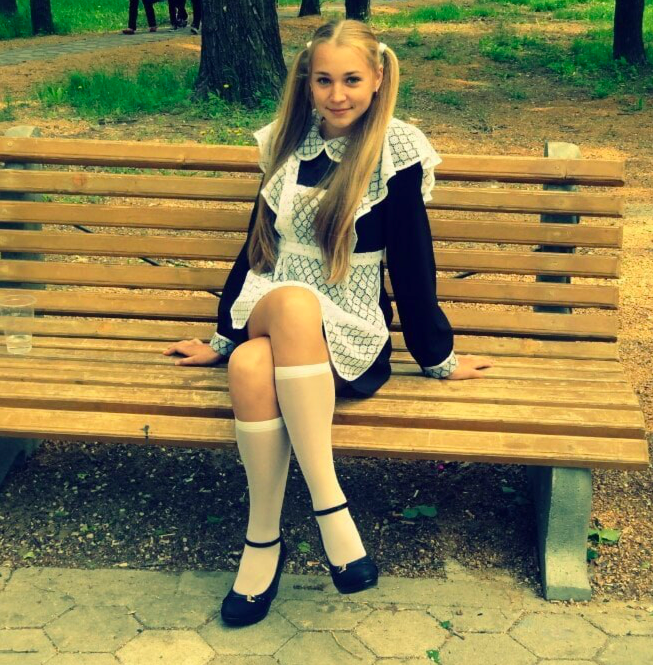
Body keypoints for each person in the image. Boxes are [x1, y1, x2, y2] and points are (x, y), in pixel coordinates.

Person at [163, 19, 492, 628]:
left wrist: (437, 357)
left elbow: (413, 262)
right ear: (306, 82)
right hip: (273, 300)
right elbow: (255, 246)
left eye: (351, 80)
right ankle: (330, 508)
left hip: (350, 324)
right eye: (323, 81)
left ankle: (263, 543)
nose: (337, 95)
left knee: (250, 364)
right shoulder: (286, 142)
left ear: (378, 78)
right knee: (290, 303)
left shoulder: (394, 150)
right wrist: (221, 336)